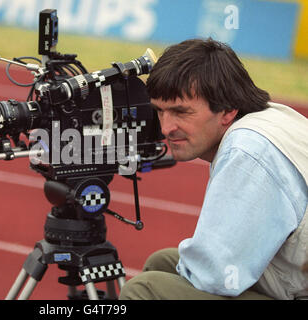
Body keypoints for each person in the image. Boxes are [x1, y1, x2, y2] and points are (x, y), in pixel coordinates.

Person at [119, 38, 308, 300]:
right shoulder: (273, 117)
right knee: (163, 262)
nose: (166, 128)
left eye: (181, 112)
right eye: (160, 111)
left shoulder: (247, 150)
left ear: (227, 110)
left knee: (144, 290)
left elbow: (215, 275)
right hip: (297, 277)